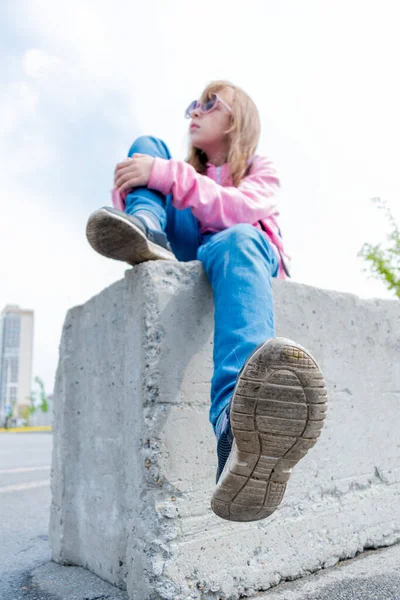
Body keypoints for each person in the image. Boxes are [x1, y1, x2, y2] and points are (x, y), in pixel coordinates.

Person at [86, 80, 328, 523]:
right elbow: (139, 182)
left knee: (238, 236)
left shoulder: (261, 169)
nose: (194, 112)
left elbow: (235, 212)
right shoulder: (180, 169)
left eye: (209, 104)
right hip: (188, 245)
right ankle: (147, 226)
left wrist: (163, 175)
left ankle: (236, 427)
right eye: (192, 106)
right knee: (147, 146)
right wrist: (148, 186)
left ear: (236, 119)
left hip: (237, 255)